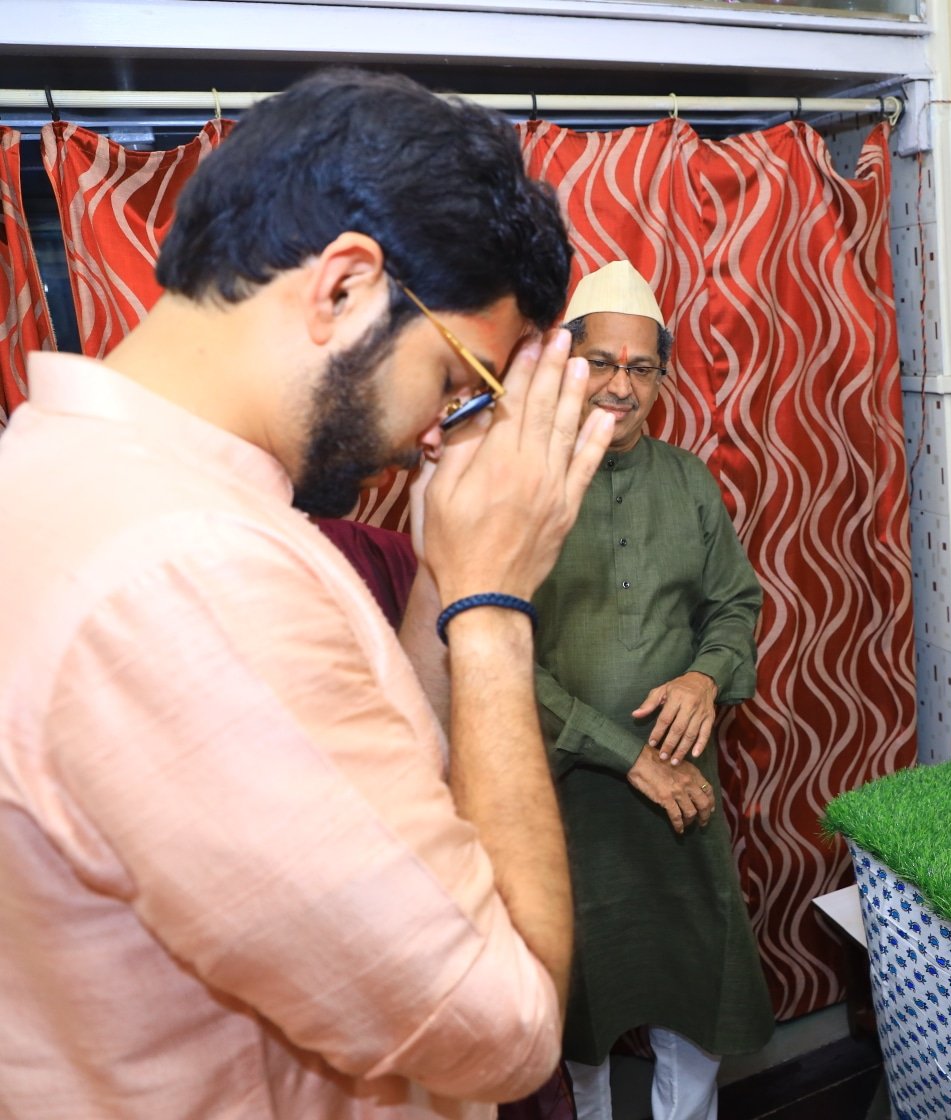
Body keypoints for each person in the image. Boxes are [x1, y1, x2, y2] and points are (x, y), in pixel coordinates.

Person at [0, 70, 616, 1119]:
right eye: (457, 379)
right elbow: (509, 1026)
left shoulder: (102, 476)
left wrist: (450, 573)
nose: (437, 429)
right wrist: (498, 612)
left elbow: (387, 804)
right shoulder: (187, 576)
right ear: (344, 286)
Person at [527, 260, 774, 1120]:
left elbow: (736, 603)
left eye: (641, 368)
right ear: (566, 364)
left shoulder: (690, 482)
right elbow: (501, 660)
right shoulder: (521, 484)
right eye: (602, 362)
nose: (620, 386)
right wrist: (626, 756)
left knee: (690, 981)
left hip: (683, 787)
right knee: (574, 1003)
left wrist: (708, 678)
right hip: (564, 799)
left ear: (662, 380)